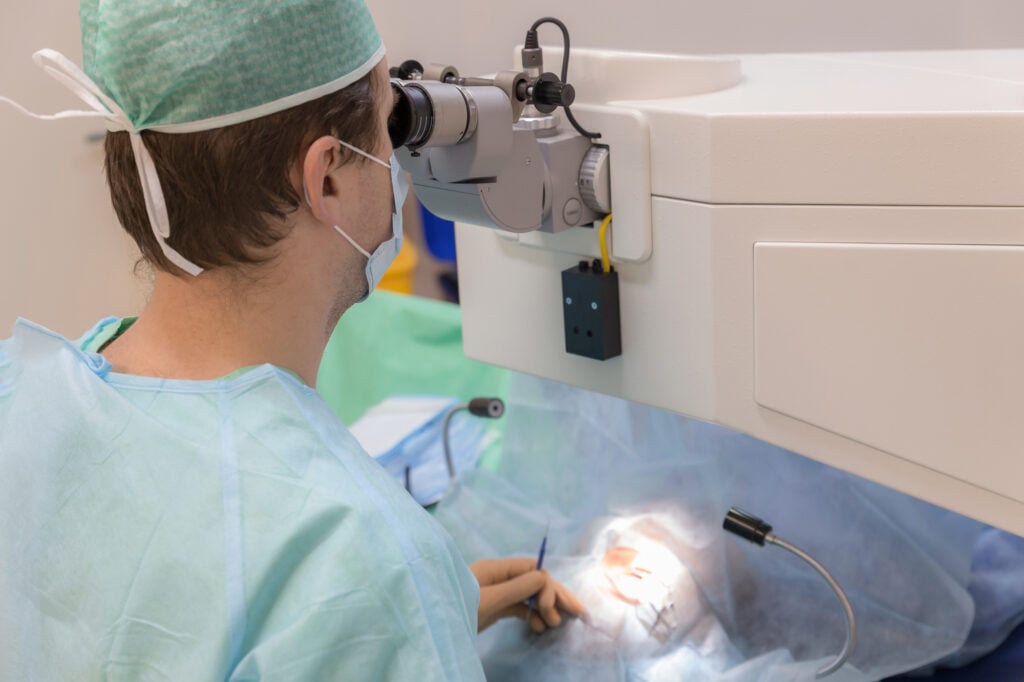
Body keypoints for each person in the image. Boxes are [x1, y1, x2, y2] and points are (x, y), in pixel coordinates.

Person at [0, 1, 583, 679]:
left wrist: (412, 620)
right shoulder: (359, 557)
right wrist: (394, 618)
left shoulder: (20, 390)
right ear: (327, 176)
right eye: (388, 123)